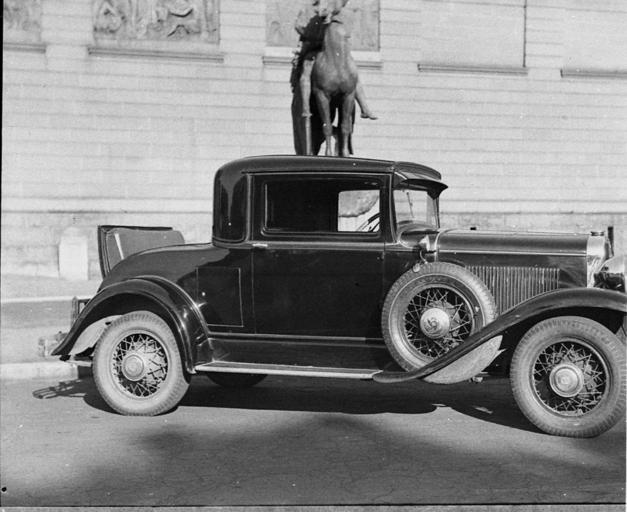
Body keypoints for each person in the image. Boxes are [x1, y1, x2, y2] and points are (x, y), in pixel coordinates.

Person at [291, 0, 377, 120]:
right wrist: (312, 34)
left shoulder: (337, 11)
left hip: (333, 48)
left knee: (352, 72)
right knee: (307, 70)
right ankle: (305, 107)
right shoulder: (309, 8)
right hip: (314, 48)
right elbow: (298, 26)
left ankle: (364, 107)